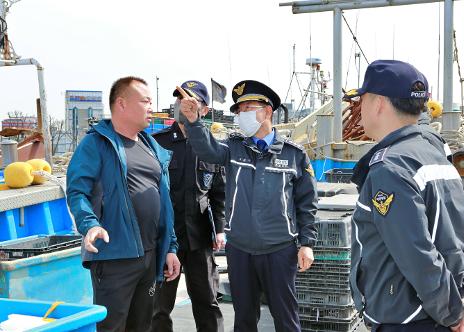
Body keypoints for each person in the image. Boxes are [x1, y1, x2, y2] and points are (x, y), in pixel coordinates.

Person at [343, 60, 464, 332]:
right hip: (440, 314)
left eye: (362, 100)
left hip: (406, 320)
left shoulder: (390, 167)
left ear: (378, 103)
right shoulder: (438, 156)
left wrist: (455, 313)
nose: (359, 109)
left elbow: (416, 253)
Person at [178, 80, 318, 332]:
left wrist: (306, 243)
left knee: (286, 318)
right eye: (239, 111)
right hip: (240, 251)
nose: (242, 116)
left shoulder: (294, 155)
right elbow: (207, 150)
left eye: (248, 109)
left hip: (280, 250)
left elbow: (306, 203)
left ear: (267, 111)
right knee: (243, 318)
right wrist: (194, 122)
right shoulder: (233, 149)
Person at [66, 76, 180, 332]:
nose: (152, 106)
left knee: (142, 326)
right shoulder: (96, 144)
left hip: (150, 257)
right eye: (145, 101)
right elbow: (77, 191)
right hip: (115, 257)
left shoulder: (152, 147)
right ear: (122, 104)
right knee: (112, 328)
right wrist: (89, 224)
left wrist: (170, 247)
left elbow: (164, 203)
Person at [151, 80, 225, 332]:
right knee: (158, 308)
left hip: (199, 238)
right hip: (163, 238)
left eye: (190, 101)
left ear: (203, 110)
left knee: (207, 303)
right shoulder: (156, 143)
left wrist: (221, 230)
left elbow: (218, 194)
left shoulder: (211, 148)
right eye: (178, 100)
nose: (182, 105)